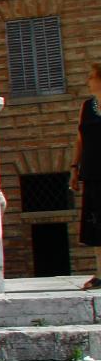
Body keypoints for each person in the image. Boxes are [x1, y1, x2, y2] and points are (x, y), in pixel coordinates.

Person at [70, 62, 101, 290]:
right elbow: (80, 139)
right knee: (96, 225)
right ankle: (100, 274)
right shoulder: (87, 106)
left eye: (91, 76)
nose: (88, 80)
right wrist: (74, 168)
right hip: (92, 172)